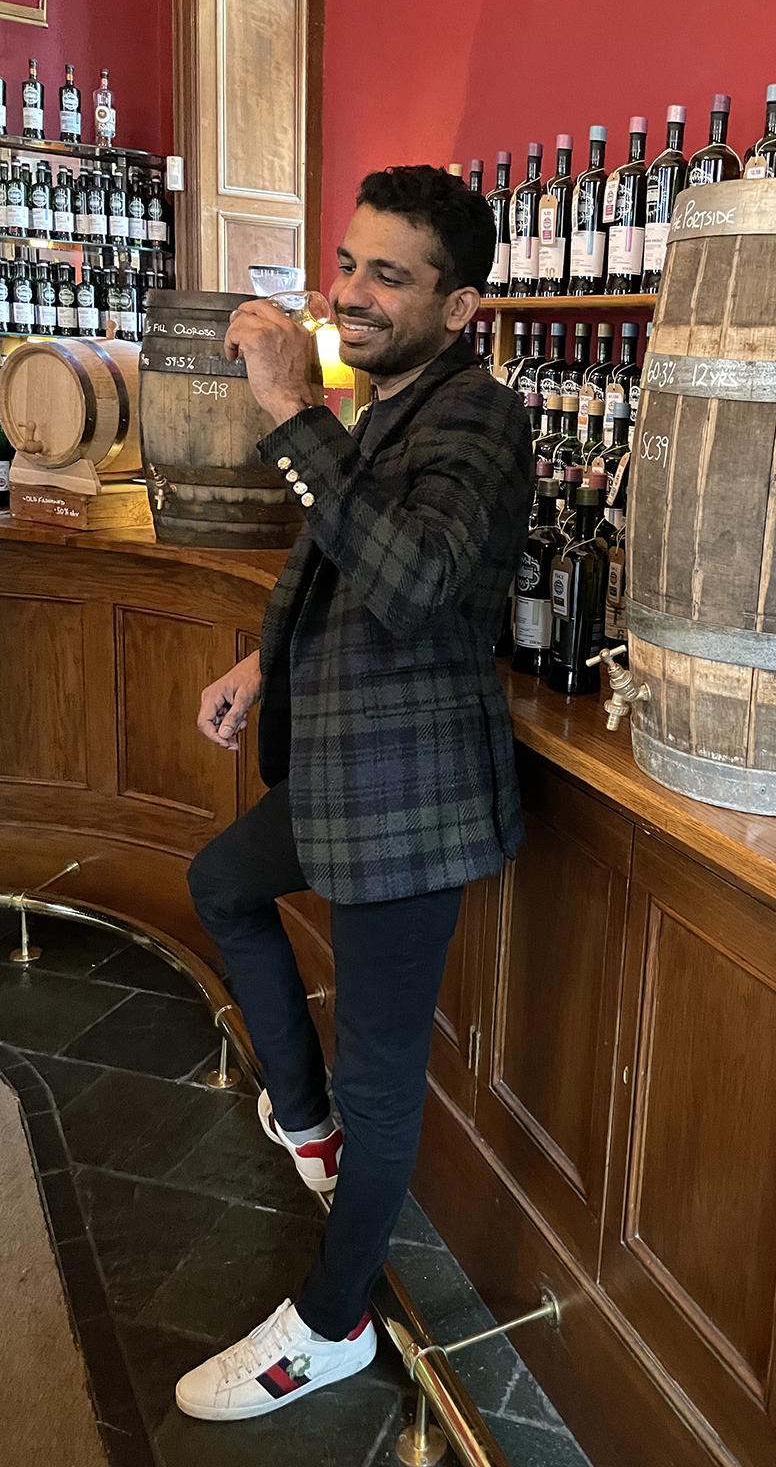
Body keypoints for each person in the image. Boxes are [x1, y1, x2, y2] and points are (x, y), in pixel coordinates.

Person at [174, 165, 534, 1421]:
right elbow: (329, 559)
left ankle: (331, 1328)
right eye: (349, 261)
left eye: (391, 273)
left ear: (464, 304)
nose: (353, 291)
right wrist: (260, 663)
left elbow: (416, 581)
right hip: (340, 765)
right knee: (220, 881)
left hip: (413, 795)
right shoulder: (382, 407)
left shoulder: (478, 413)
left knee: (388, 1079)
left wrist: (288, 406)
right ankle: (307, 1125)